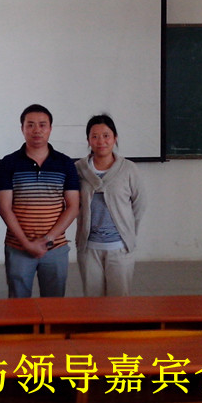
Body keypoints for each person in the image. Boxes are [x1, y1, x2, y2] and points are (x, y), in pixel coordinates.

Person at [0, 104, 80, 298]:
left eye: (42, 125)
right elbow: (5, 207)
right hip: (18, 247)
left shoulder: (65, 163)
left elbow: (73, 207)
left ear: (50, 128)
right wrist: (26, 243)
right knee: (18, 304)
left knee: (54, 304)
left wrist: (48, 239)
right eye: (30, 125)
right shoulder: (9, 163)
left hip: (55, 247)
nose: (37, 130)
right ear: (22, 128)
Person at [74, 114, 146, 297]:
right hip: (89, 248)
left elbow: (139, 204)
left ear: (115, 138)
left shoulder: (128, 168)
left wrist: (127, 232)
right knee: (93, 302)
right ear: (88, 140)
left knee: (119, 303)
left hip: (120, 248)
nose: (101, 141)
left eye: (106, 135)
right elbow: (74, 204)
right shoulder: (79, 169)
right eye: (95, 136)